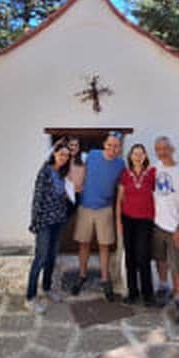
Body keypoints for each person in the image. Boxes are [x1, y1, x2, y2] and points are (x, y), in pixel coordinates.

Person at [71, 131, 125, 301]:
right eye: (109, 144)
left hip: (105, 209)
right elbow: (75, 166)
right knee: (84, 243)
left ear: (120, 147)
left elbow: (123, 187)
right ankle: (82, 275)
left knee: (104, 245)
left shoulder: (121, 164)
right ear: (104, 144)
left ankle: (105, 279)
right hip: (85, 207)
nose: (112, 148)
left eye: (116, 146)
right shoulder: (92, 155)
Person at [151, 136, 179, 325]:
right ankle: (163, 287)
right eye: (158, 149)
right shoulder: (155, 169)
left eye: (165, 148)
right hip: (157, 226)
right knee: (160, 260)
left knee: (176, 266)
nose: (162, 152)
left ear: (172, 149)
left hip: (174, 229)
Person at [26, 139, 72, 314]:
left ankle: (47, 288)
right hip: (45, 222)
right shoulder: (45, 172)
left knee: (52, 256)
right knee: (40, 258)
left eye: (67, 156)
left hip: (58, 221)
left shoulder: (61, 174)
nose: (64, 158)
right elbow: (37, 198)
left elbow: (60, 196)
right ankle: (30, 297)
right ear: (54, 154)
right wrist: (35, 223)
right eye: (61, 154)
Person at [115, 143, 157, 306]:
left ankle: (148, 294)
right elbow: (120, 199)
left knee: (143, 256)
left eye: (141, 154)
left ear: (145, 156)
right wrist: (118, 221)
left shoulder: (152, 173)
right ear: (130, 156)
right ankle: (132, 293)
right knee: (130, 257)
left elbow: (160, 195)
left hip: (146, 220)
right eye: (135, 154)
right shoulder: (125, 174)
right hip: (128, 219)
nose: (138, 157)